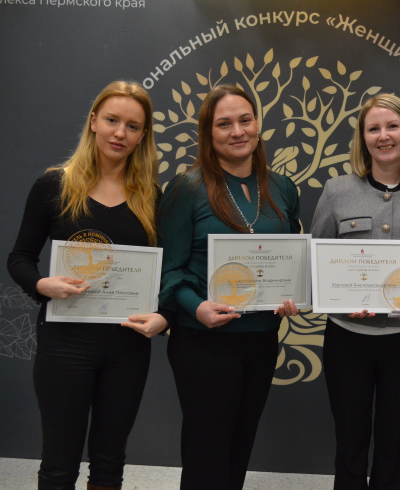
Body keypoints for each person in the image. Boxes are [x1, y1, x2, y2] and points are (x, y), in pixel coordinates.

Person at [7, 80, 168, 490]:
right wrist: (43, 285)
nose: (120, 133)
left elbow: (166, 272)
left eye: (133, 126)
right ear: (93, 121)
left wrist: (164, 317)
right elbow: (19, 258)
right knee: (59, 464)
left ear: (143, 136)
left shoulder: (151, 196)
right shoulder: (54, 185)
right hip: (65, 345)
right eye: (112, 120)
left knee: (110, 462)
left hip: (127, 347)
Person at [158, 84, 301, 490]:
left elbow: (290, 257)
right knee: (207, 452)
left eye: (245, 120)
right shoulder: (187, 188)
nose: (237, 131)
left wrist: (291, 294)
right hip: (203, 340)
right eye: (224, 124)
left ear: (257, 124)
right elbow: (170, 270)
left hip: (261, 338)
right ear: (208, 133)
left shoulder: (282, 188)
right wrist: (196, 307)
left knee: (240, 447)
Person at [310, 93, 400, 490]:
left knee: (394, 447)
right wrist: (336, 297)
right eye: (373, 128)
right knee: (349, 446)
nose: (383, 135)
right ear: (362, 137)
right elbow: (316, 260)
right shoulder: (336, 191)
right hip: (347, 339)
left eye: (392, 126)